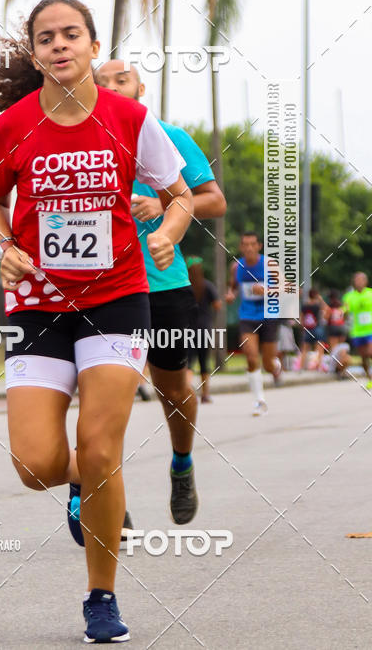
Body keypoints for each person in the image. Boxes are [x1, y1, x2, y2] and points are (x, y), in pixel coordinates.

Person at [0, 0, 193, 644]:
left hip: (115, 297)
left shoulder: (131, 118)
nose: (59, 45)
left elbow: (181, 194)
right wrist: (5, 245)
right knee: (34, 465)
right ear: (34, 54)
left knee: (102, 444)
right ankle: (84, 478)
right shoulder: (15, 126)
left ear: (92, 46)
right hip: (38, 302)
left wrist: (167, 231)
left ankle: (101, 597)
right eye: (47, 38)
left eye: (71, 35)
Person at [94, 60, 226, 525]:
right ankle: (104, 493)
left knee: (173, 388)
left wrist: (163, 201)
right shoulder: (82, 137)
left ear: (140, 87)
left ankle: (182, 463)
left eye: (120, 79)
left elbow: (213, 199)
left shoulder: (167, 135)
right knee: (107, 392)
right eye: (101, 82)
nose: (111, 87)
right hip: (102, 287)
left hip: (162, 286)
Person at [226, 232, 282, 415]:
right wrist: (231, 294)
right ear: (241, 247)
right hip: (247, 316)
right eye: (245, 244)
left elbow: (290, 288)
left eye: (252, 244)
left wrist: (266, 290)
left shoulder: (269, 265)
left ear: (259, 246)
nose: (249, 248)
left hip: (269, 316)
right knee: (250, 357)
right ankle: (259, 401)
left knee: (267, 364)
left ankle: (276, 367)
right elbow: (234, 285)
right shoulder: (236, 267)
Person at [186, 257, 221, 403]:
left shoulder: (184, 287)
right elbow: (218, 305)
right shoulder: (207, 285)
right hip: (204, 329)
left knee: (188, 362)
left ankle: (186, 393)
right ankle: (205, 395)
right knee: (204, 362)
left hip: (187, 329)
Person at [343, 272, 372, 383]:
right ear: (354, 282)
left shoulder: (370, 293)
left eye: (361, 280)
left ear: (366, 281)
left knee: (370, 352)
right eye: (357, 280)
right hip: (357, 331)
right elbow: (345, 313)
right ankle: (369, 378)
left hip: (370, 330)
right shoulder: (349, 296)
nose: (359, 282)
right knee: (363, 357)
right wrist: (344, 312)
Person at [296, 287, 328, 372]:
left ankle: (301, 367)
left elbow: (301, 318)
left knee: (305, 348)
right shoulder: (318, 305)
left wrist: (302, 327)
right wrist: (321, 299)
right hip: (317, 327)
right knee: (320, 347)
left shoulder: (305, 305)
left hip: (307, 328)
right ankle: (319, 366)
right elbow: (327, 309)